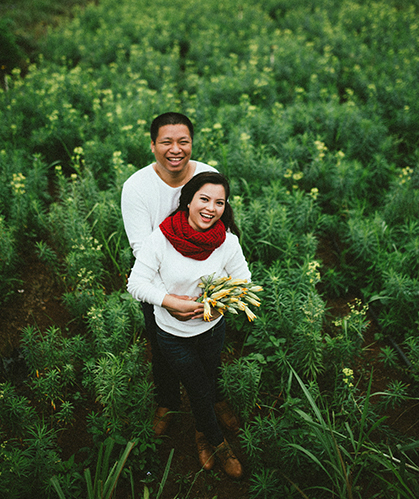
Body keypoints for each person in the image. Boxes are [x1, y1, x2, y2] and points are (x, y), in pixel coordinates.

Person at [121, 112, 239, 436]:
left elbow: (223, 228)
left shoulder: (207, 176)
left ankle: (215, 398)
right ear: (152, 145)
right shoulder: (136, 188)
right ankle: (167, 400)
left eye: (183, 141)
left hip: (205, 284)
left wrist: (212, 294)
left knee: (210, 348)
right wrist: (169, 300)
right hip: (158, 279)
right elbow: (141, 250)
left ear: (192, 144)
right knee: (162, 349)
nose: (175, 149)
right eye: (166, 142)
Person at [127, 172, 249, 478]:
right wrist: (169, 301)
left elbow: (243, 279)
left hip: (212, 329)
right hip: (172, 334)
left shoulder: (227, 242)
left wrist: (218, 302)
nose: (211, 208)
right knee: (197, 387)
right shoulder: (161, 238)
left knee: (210, 374)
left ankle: (200, 431)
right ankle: (217, 442)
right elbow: (136, 283)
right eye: (204, 199)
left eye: (219, 202)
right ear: (188, 201)